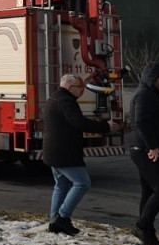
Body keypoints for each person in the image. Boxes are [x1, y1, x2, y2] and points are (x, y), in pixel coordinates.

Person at [43, 74, 116, 236]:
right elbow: (80, 123)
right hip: (65, 153)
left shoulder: (53, 99)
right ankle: (62, 217)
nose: (82, 90)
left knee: (61, 185)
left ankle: (54, 220)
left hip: (53, 152)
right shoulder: (67, 102)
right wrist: (105, 126)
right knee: (82, 183)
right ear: (70, 87)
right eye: (79, 87)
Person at [130, 65, 159, 245]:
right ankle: (142, 226)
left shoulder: (149, 95)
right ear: (152, 79)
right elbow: (141, 122)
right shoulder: (144, 95)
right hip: (145, 150)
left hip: (143, 149)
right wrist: (153, 147)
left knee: (149, 191)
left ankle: (147, 235)